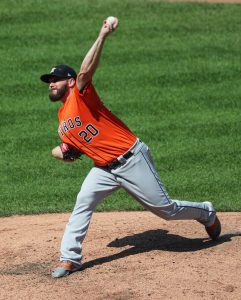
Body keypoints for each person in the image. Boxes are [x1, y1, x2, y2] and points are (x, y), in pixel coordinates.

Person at [40, 17, 221, 278]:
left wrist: (102, 35)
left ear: (68, 82)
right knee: (83, 202)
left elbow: (85, 71)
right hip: (103, 169)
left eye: (55, 79)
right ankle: (70, 258)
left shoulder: (80, 95)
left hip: (131, 158)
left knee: (166, 211)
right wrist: (61, 152)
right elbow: (68, 150)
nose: (51, 83)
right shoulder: (62, 120)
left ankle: (206, 211)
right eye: (49, 80)